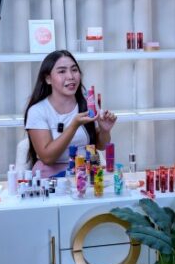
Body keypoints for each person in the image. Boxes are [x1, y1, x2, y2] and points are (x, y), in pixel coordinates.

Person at [24, 50, 117, 178]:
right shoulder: (37, 111)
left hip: (85, 175)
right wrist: (74, 125)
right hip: (50, 179)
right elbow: (47, 158)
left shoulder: (87, 103)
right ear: (48, 79)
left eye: (74, 70)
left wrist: (105, 130)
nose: (70, 76)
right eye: (62, 71)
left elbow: (100, 146)